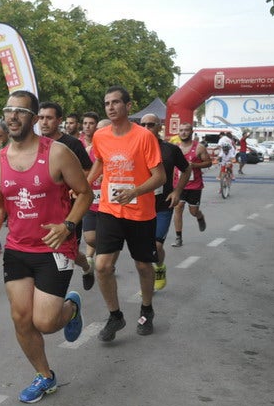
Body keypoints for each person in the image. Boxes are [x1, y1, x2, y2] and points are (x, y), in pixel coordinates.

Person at [0, 90, 91, 403]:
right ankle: (45, 376)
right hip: (17, 247)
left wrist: (68, 225)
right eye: (8, 110)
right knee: (21, 317)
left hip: (54, 247)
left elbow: (85, 193)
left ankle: (71, 308)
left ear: (34, 117)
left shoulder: (56, 153)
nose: (13, 116)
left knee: (45, 322)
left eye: (21, 111)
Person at [86, 86, 165, 340]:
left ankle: (147, 309)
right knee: (102, 264)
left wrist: (135, 191)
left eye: (116, 102)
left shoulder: (144, 137)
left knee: (143, 265)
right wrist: (85, 184)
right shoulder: (100, 136)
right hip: (110, 210)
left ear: (128, 106)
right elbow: (100, 161)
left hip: (140, 212)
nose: (110, 107)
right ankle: (115, 316)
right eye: (107, 103)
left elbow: (160, 177)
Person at [37, 102, 96, 290]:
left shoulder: (72, 144)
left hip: (70, 209)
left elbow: (89, 169)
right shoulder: (35, 144)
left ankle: (85, 268)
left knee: (67, 251)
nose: (44, 122)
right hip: (42, 207)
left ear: (59, 120)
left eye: (49, 118)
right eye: (41, 118)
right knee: (46, 249)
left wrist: (75, 184)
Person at [139, 114, 190, 291]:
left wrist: (177, 191)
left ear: (159, 126)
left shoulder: (170, 150)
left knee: (157, 245)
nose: (146, 128)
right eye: (142, 124)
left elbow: (187, 169)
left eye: (150, 124)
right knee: (144, 250)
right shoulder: (135, 148)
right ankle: (147, 284)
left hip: (163, 205)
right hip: (139, 207)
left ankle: (159, 268)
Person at [171, 123, 211, 247]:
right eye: (181, 130)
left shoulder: (199, 148)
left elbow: (209, 162)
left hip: (194, 185)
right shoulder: (175, 148)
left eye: (186, 130)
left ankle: (199, 216)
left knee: (193, 211)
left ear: (191, 132)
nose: (183, 132)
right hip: (179, 185)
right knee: (178, 208)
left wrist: (194, 165)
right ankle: (178, 238)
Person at [80, 111, 101, 275]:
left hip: (109, 200)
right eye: (85, 123)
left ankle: (100, 258)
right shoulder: (85, 148)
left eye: (91, 123)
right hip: (90, 196)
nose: (88, 126)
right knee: (90, 237)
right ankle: (94, 257)